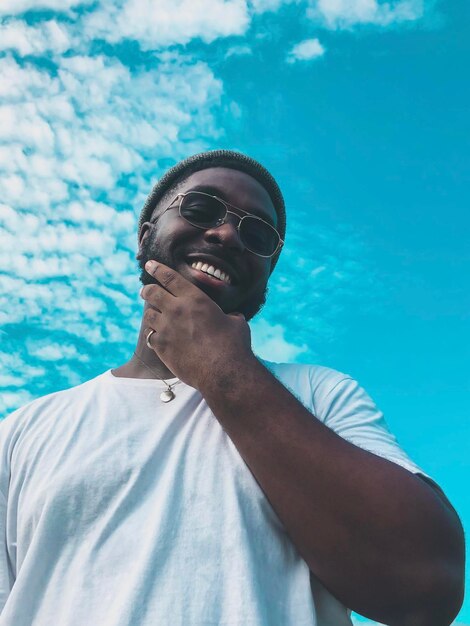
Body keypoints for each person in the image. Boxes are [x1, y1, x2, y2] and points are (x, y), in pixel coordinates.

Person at [0, 150, 464, 626]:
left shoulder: (322, 394)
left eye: (257, 234)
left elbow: (428, 586)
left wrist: (226, 372)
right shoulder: (21, 433)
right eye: (201, 208)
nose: (225, 234)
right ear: (145, 238)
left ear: (265, 281)